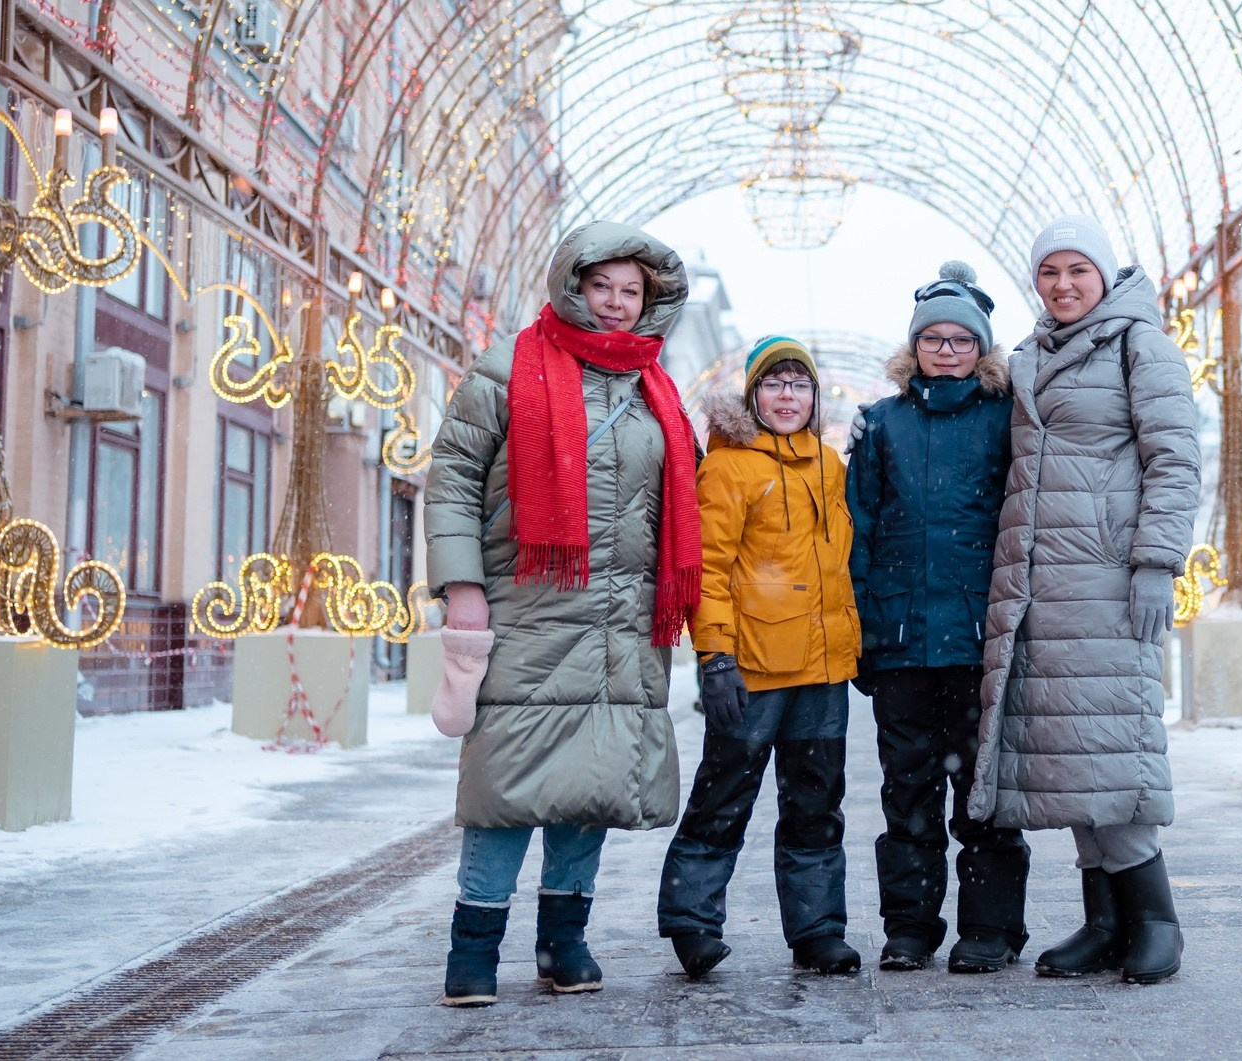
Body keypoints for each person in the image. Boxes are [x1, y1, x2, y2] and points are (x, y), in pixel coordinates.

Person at [423, 222, 702, 1006]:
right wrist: (461, 585)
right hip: (529, 609)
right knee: (507, 786)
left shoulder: (655, 387)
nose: (615, 303)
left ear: (649, 301)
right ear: (572, 285)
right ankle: (473, 948)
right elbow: (452, 479)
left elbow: (685, 499)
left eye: (631, 291)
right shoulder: (507, 367)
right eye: (601, 286)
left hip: (621, 622)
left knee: (591, 787)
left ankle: (564, 942)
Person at [967, 215, 1201, 985]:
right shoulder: (1032, 354)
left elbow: (1175, 458)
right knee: (1072, 755)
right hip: (1042, 588)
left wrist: (1156, 561)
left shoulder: (1141, 346)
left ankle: (1156, 918)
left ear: (1104, 274)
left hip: (1106, 581)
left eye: (1077, 270)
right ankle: (1105, 922)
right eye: (1049, 272)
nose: (1063, 284)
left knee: (1112, 744)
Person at [657, 335, 864, 978]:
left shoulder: (830, 465)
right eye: (774, 384)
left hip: (822, 669)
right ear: (753, 396)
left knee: (815, 804)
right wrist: (714, 657)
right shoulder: (728, 468)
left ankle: (818, 930)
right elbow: (708, 570)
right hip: (753, 668)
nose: (787, 396)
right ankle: (692, 924)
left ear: (814, 397)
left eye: (799, 385)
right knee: (724, 795)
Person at [846, 262, 1029, 973]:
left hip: (980, 642)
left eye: (960, 340)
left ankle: (989, 928)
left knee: (984, 793)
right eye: (933, 339)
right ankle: (910, 926)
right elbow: (858, 530)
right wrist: (863, 628)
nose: (946, 351)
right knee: (907, 794)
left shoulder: (1005, 419)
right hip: (900, 642)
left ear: (980, 348)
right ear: (914, 346)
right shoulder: (882, 425)